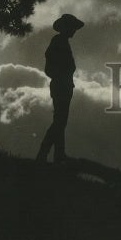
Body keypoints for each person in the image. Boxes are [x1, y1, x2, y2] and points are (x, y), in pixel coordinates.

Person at [36, 13, 84, 163]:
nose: (74, 31)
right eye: (72, 28)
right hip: (61, 86)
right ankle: (47, 153)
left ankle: (57, 154)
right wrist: (61, 76)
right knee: (60, 121)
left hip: (63, 86)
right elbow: (51, 67)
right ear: (67, 28)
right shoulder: (59, 42)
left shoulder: (61, 42)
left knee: (60, 121)